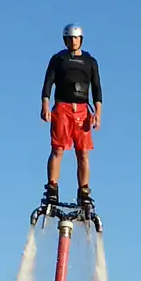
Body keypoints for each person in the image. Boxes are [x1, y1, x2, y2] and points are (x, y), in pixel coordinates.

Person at [41, 24, 102, 209]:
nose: (73, 41)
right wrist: (45, 105)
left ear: (81, 39)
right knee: (58, 149)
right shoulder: (58, 59)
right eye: (70, 38)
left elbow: (97, 88)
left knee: (83, 152)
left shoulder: (90, 62)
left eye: (76, 38)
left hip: (83, 111)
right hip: (62, 109)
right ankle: (52, 189)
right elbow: (48, 84)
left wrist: (98, 112)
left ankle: (84, 191)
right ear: (65, 40)